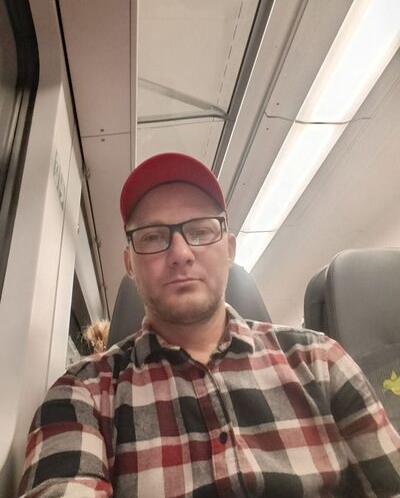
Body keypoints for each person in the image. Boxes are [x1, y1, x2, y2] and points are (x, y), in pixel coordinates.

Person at [19, 152, 400, 497]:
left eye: (200, 231)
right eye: (153, 237)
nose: (181, 253)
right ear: (130, 264)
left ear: (229, 249)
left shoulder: (321, 361)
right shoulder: (83, 393)